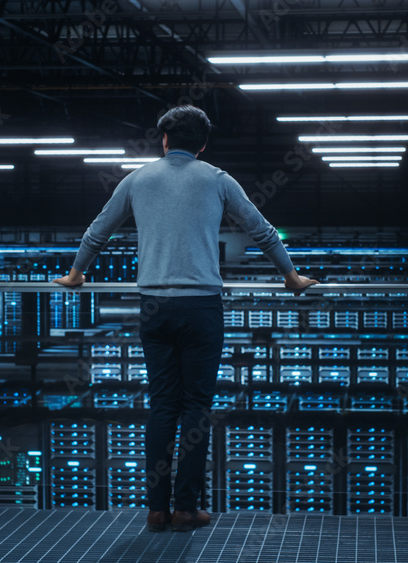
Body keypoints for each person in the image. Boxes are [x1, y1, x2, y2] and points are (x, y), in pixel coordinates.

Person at [53, 105, 318, 531]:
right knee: (196, 407)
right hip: (201, 307)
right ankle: (185, 509)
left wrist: (76, 273)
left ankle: (155, 510)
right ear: (203, 144)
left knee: (162, 407)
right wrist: (290, 276)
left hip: (154, 307)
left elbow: (97, 231)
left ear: (164, 140)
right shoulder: (216, 179)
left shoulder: (137, 178)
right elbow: (262, 229)